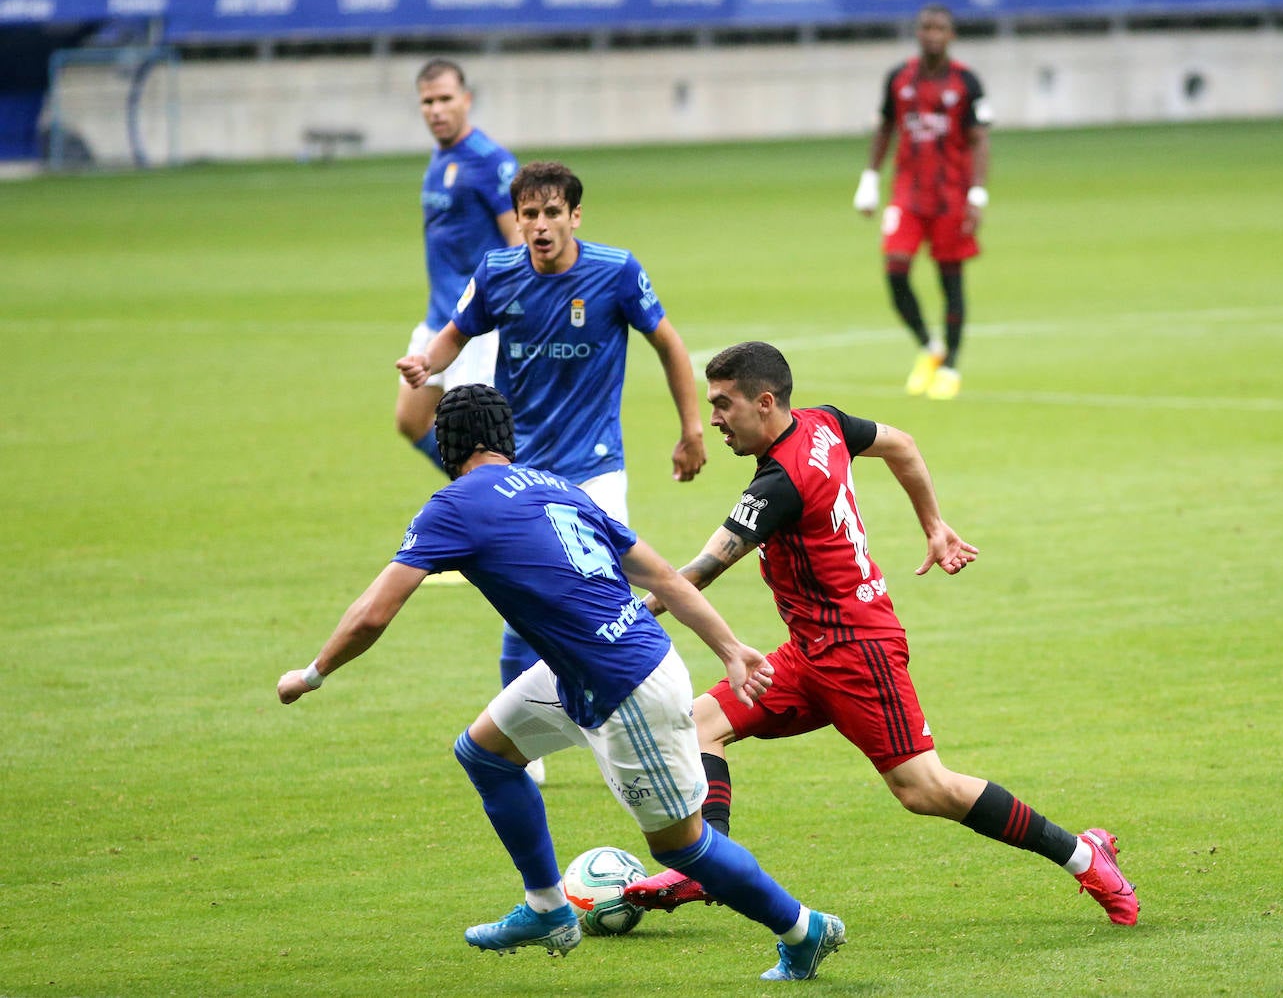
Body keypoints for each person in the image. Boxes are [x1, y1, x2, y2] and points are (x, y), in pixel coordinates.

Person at [276, 384, 846, 981]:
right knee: (486, 752)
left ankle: (804, 928)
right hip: (589, 666)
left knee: (682, 846)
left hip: (623, 685)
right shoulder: (556, 486)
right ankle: (547, 908)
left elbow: (373, 614)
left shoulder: (454, 503)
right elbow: (664, 577)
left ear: (453, 445)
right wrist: (728, 649)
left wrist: (313, 674)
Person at [622, 342, 1139, 928]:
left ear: (764, 403)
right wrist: (934, 525)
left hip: (857, 650)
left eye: (723, 404)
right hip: (810, 649)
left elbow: (696, 575)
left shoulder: (776, 486)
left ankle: (1082, 854)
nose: (713, 418)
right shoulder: (825, 423)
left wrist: (622, 613)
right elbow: (902, 444)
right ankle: (708, 865)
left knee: (925, 788)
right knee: (697, 727)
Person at [397, 161, 708, 780]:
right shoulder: (497, 273)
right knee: (526, 600)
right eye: (528, 215)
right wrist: (424, 363)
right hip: (523, 467)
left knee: (609, 585)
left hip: (595, 466)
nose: (539, 226)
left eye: (550, 214)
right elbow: (455, 334)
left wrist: (691, 428)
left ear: (575, 216)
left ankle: (628, 699)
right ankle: (525, 734)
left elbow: (669, 343)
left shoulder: (615, 271)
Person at [852, 3, 991, 400]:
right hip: (908, 196)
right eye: (926, 27)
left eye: (940, 28)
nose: (932, 34)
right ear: (918, 32)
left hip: (951, 198)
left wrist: (977, 194)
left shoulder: (967, 83)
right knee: (895, 271)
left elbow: (981, 140)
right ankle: (930, 349)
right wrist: (869, 180)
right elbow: (885, 128)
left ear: (951, 35)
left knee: (951, 280)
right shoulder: (899, 79)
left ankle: (950, 367)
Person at [398, 58, 522, 474]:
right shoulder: (439, 159)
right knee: (411, 420)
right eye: (427, 101)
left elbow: (518, 240)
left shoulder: (490, 162)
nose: (436, 109)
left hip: (475, 327)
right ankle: (483, 491)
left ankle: (497, 498)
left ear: (466, 100)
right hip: (437, 318)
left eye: (445, 99)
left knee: (477, 444)